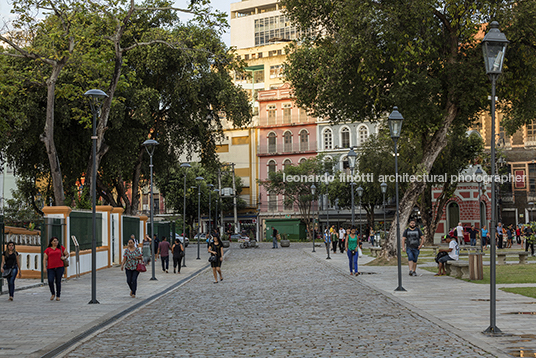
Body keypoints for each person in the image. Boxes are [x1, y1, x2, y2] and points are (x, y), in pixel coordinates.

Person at [43, 237, 69, 301]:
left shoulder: (61, 248)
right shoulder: (48, 250)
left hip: (59, 267)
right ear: (51, 242)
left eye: (57, 241)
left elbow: (67, 254)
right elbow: (45, 259)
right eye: (54, 241)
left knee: (58, 281)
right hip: (50, 268)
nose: (56, 242)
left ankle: (58, 295)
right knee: (50, 280)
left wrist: (64, 257)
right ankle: (53, 293)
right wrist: (44, 267)